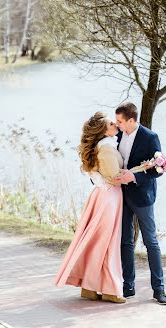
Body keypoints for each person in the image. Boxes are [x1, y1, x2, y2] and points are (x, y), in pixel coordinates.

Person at [54, 111, 126, 303]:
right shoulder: (107, 149)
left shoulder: (102, 147)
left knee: (98, 242)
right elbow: (115, 177)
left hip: (102, 196)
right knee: (107, 243)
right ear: (104, 130)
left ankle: (90, 287)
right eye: (112, 123)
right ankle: (109, 289)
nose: (115, 125)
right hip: (109, 197)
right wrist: (139, 171)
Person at [113, 101, 166, 305]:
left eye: (120, 121)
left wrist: (135, 178)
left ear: (131, 120)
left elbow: (158, 169)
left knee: (151, 242)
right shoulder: (117, 135)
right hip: (121, 195)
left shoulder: (150, 137)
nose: (116, 124)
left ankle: (159, 289)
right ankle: (128, 286)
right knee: (125, 241)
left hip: (143, 197)